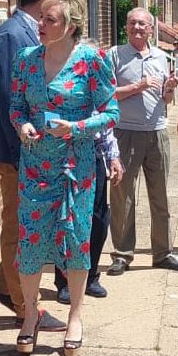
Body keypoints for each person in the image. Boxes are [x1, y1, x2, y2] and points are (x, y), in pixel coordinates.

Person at [9, 0, 118, 356]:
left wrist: (75, 126)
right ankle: (30, 316)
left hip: (77, 166)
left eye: (49, 20)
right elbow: (16, 107)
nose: (40, 24)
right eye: (40, 18)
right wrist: (22, 124)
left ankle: (75, 316)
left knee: (74, 239)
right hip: (36, 165)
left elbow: (110, 112)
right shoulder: (26, 60)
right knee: (31, 241)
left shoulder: (92, 60)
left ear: (71, 26)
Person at [0, 0, 66, 331]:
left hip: (28, 149)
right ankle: (24, 307)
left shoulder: (29, 33)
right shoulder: (12, 37)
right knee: (18, 225)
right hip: (17, 149)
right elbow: (6, 100)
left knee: (27, 223)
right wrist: (26, 147)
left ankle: (3, 285)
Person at [106, 7, 178, 275]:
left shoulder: (162, 58)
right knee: (122, 196)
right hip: (125, 132)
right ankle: (122, 255)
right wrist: (137, 87)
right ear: (126, 28)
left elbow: (165, 99)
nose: (137, 28)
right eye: (132, 24)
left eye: (142, 24)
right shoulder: (115, 55)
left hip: (157, 132)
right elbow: (107, 95)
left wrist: (169, 89)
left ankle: (162, 253)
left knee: (160, 195)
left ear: (151, 29)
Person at [54, 129, 123, 302]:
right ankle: (64, 281)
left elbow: (106, 125)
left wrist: (113, 156)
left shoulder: (97, 101)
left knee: (99, 219)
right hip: (64, 153)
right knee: (66, 217)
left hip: (93, 153)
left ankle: (90, 277)